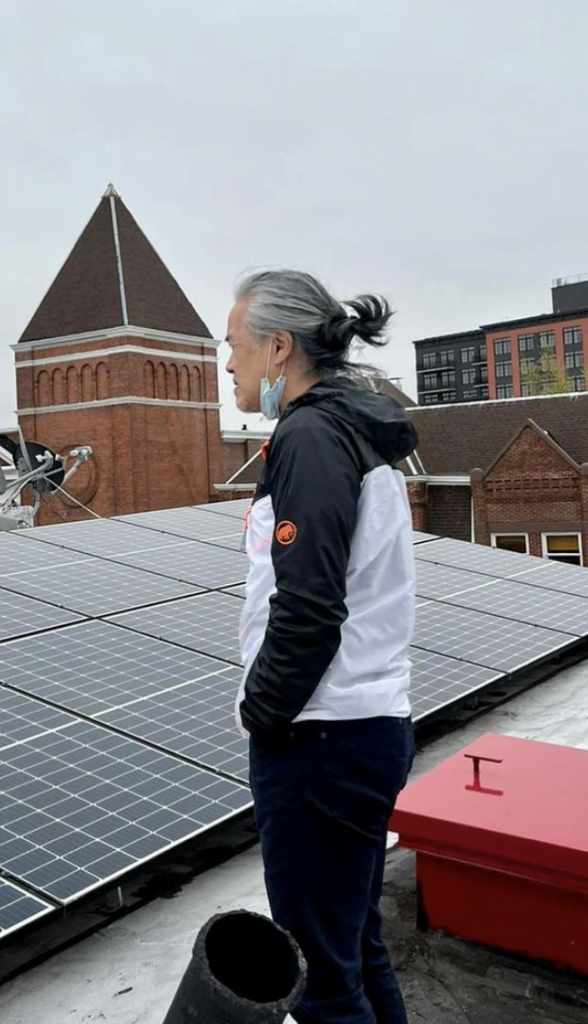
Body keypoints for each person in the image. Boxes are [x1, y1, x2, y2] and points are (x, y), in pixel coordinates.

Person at [226, 269, 418, 1024]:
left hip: (322, 741)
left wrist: (262, 714)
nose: (229, 366)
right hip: (364, 728)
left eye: (235, 346)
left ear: (279, 348)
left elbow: (307, 608)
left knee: (323, 985)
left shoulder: (310, 437)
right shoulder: (353, 431)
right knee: (356, 953)